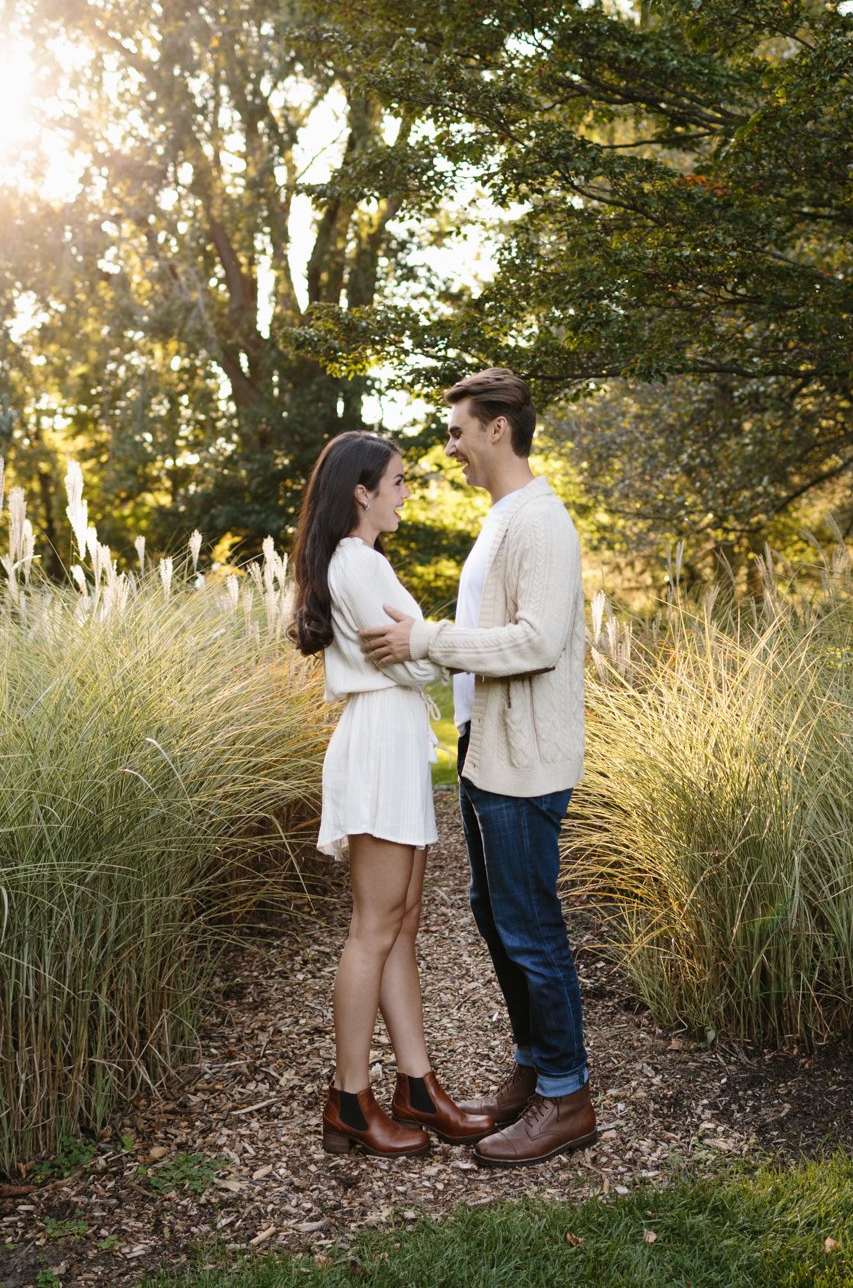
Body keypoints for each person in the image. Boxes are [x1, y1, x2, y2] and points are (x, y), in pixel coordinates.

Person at [360, 368, 595, 1168]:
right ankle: (536, 1066)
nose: (450, 446)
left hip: (526, 761)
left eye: (459, 429)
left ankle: (569, 1095)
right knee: (498, 918)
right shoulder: (501, 519)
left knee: (531, 926)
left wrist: (426, 638)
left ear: (498, 427)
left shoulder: (542, 521)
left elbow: (535, 641)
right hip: (485, 751)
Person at [287, 431, 494, 1157]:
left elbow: (416, 655)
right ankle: (349, 1096)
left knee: (401, 922)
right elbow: (410, 664)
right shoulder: (356, 563)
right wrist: (428, 655)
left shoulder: (367, 561)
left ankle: (416, 1084)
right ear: (362, 491)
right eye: (400, 481)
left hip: (394, 742)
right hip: (378, 742)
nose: (409, 491)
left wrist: (423, 653)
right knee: (374, 926)